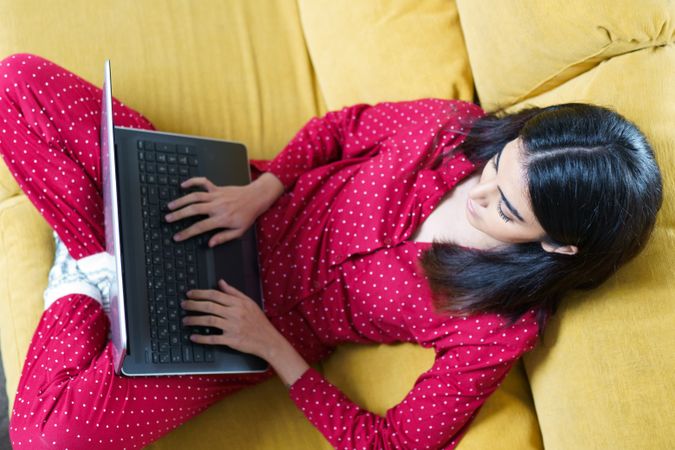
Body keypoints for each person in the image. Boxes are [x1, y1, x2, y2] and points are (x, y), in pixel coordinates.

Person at [0, 53, 662, 449]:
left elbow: (394, 444)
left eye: (504, 208)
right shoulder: (453, 131)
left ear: (556, 243)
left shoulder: (498, 327)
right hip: (224, 203)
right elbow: (339, 129)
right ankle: (107, 255)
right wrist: (259, 190)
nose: (474, 193)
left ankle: (85, 278)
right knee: (16, 81)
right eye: (492, 168)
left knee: (45, 439)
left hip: (240, 331)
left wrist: (270, 348)